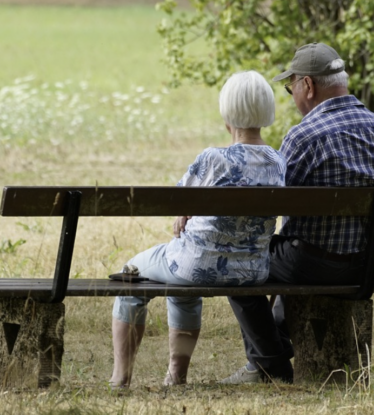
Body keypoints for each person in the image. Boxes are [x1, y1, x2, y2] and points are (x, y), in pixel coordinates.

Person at [221, 42, 374, 384]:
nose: (293, 97)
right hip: (365, 264)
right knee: (292, 248)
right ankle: (276, 346)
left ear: (308, 85)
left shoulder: (304, 136)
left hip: (311, 264)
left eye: (291, 89)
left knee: (236, 260)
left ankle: (269, 364)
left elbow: (272, 203)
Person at [109, 70, 287, 388]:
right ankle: (175, 376)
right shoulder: (278, 161)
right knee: (182, 284)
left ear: (227, 113)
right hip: (251, 271)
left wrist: (184, 212)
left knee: (130, 275)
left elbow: (178, 200)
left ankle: (120, 378)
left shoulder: (213, 158)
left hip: (196, 265)